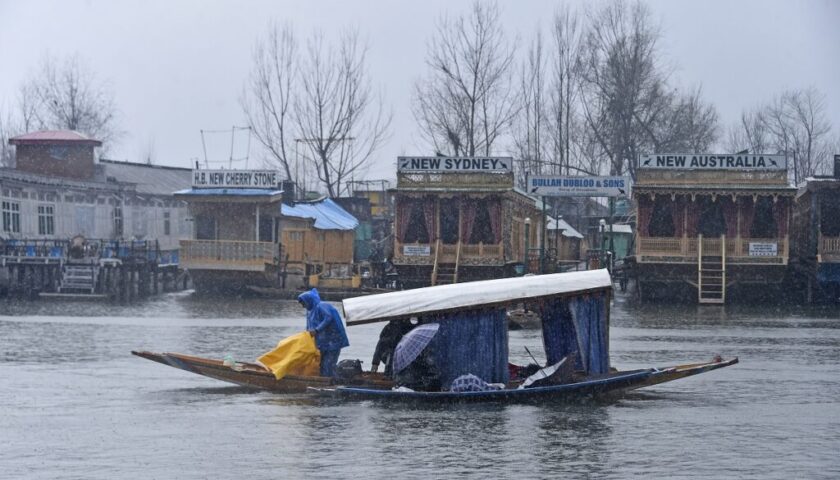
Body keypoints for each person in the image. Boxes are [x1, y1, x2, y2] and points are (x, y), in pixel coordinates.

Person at [297, 288, 350, 378]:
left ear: (308, 300)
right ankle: (324, 381)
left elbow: (328, 318)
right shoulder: (310, 311)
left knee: (328, 365)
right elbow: (309, 326)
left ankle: (332, 383)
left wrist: (317, 330)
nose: (303, 306)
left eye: (303, 303)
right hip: (323, 343)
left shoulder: (321, 306)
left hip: (333, 341)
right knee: (321, 365)